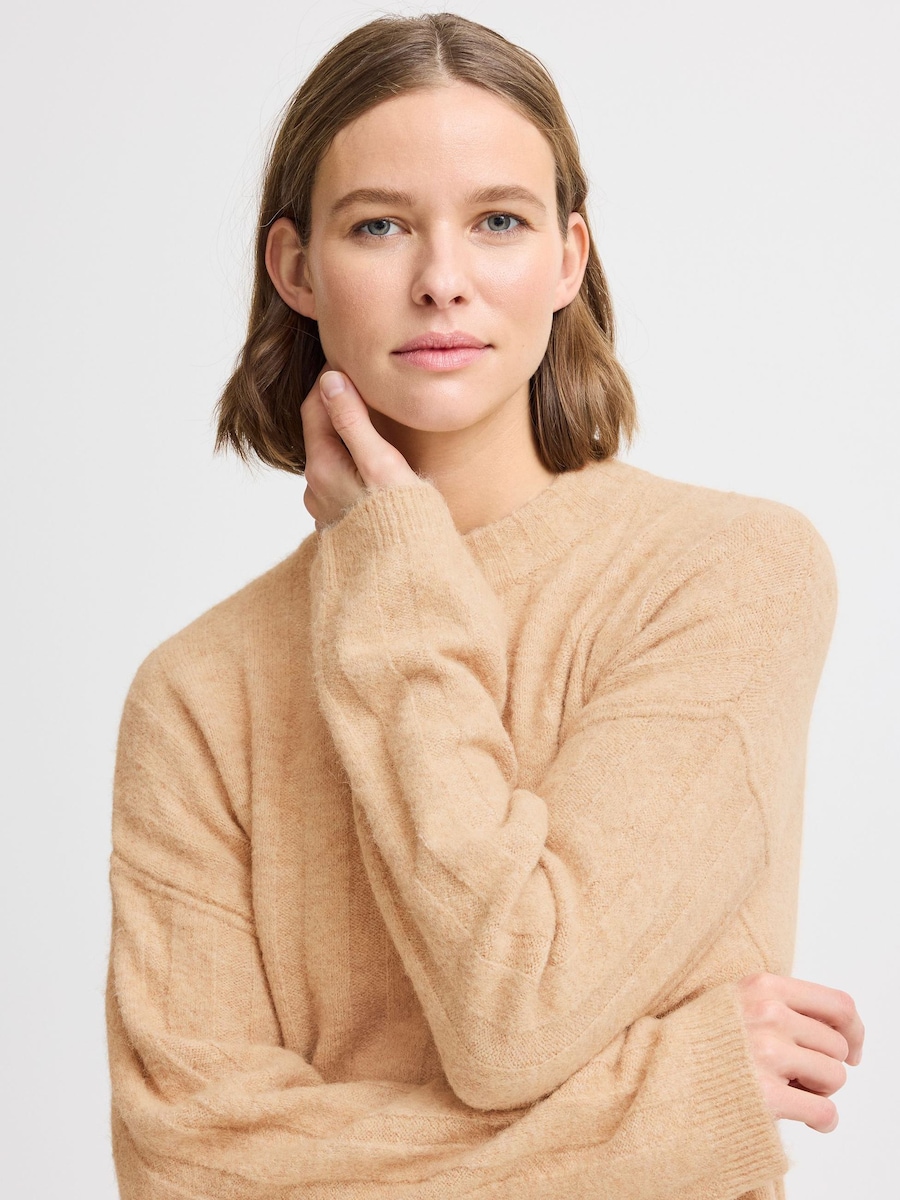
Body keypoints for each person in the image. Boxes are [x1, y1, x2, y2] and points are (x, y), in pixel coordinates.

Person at [105, 12, 864, 1199]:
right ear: (295, 268)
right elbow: (186, 1165)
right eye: (380, 225)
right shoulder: (199, 692)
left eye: (498, 221)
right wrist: (673, 1106)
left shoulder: (730, 575)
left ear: (568, 259)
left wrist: (385, 577)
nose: (442, 279)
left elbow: (515, 1009)